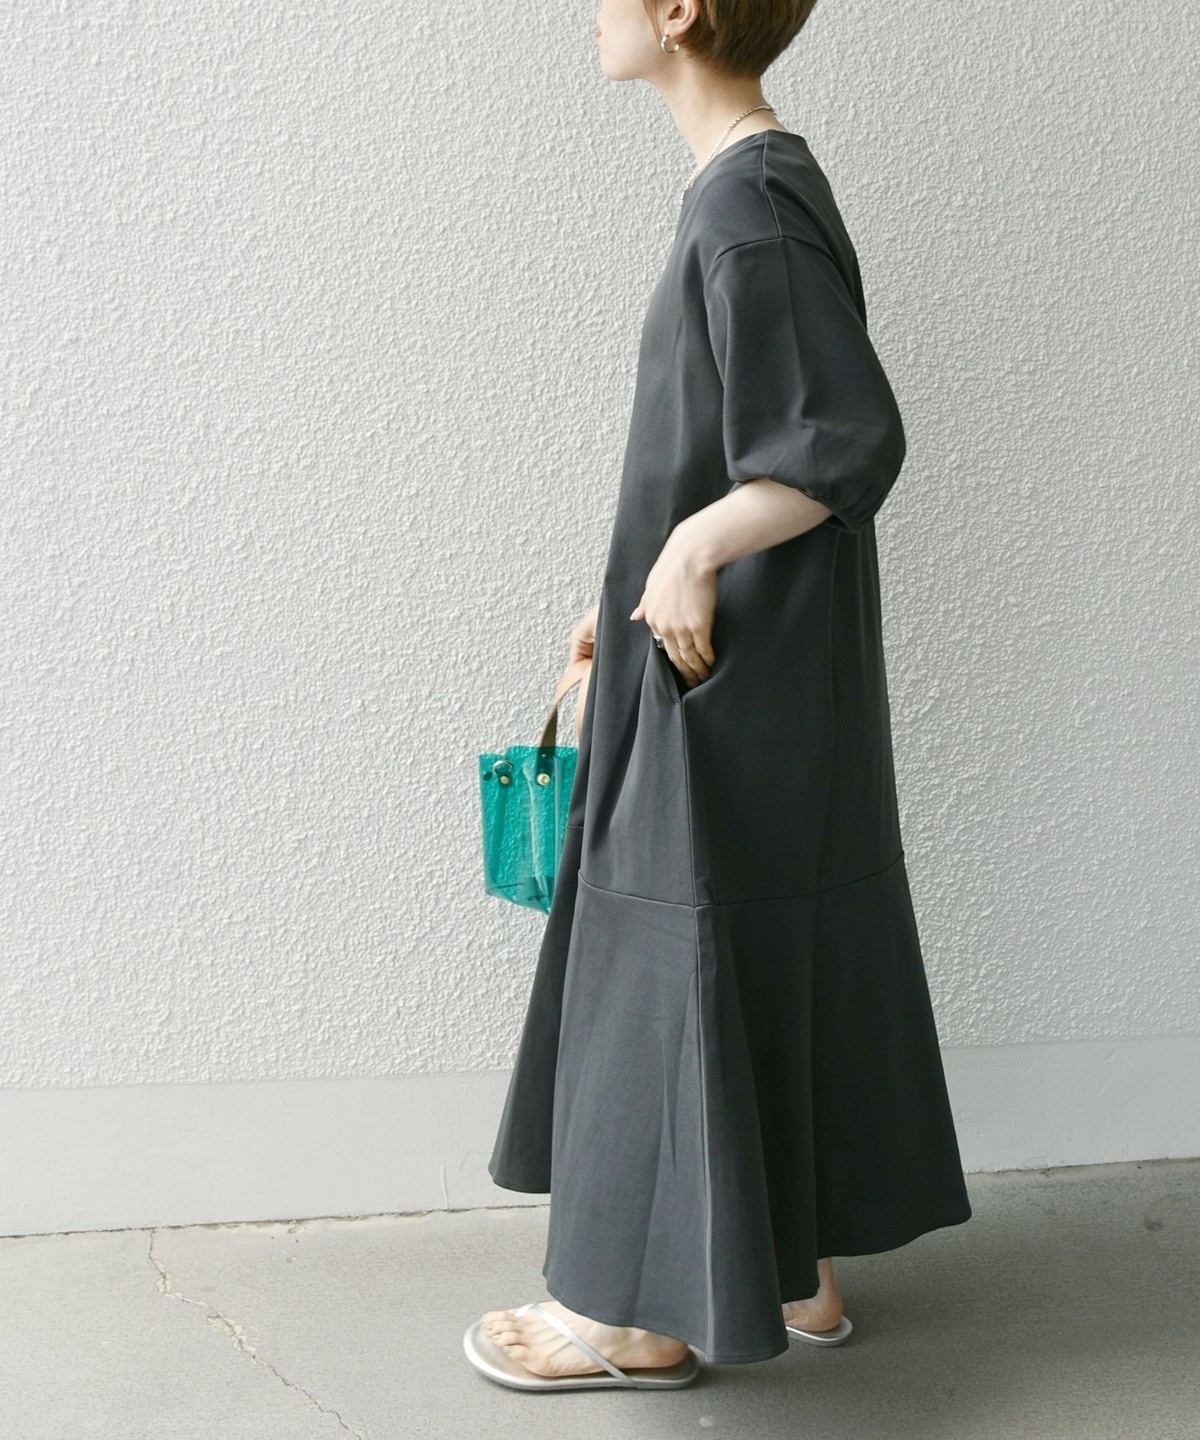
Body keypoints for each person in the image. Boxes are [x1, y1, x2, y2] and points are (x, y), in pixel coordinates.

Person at [464, 0, 972, 1392]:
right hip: (737, 653)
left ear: (680, 11)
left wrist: (688, 551)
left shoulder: (750, 200)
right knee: (758, 928)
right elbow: (732, 435)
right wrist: (637, 575)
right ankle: (793, 1269)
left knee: (668, 948)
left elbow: (842, 438)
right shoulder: (749, 188)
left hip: (724, 666)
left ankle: (638, 1314)